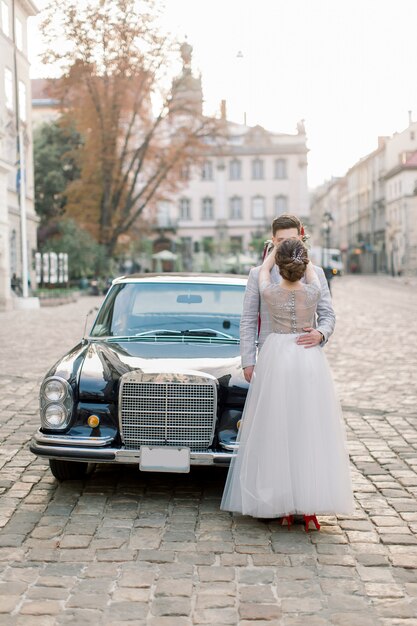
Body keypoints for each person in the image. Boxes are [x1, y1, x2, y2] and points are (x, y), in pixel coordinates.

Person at [221, 239, 354, 529]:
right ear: (304, 264)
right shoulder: (314, 289)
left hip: (277, 355)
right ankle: (309, 511)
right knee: (309, 427)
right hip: (307, 357)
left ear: (279, 264)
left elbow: (263, 274)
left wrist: (270, 257)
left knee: (278, 428)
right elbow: (311, 277)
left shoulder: (269, 290)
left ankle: (283, 506)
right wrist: (304, 258)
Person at [240, 214, 335, 384]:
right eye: (281, 240)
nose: (286, 244)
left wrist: (321, 333)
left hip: (306, 356)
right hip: (270, 358)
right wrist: (248, 361)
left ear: (300, 238)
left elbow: (327, 314)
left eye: (291, 239)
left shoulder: (317, 273)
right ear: (273, 241)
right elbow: (248, 319)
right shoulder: (258, 274)